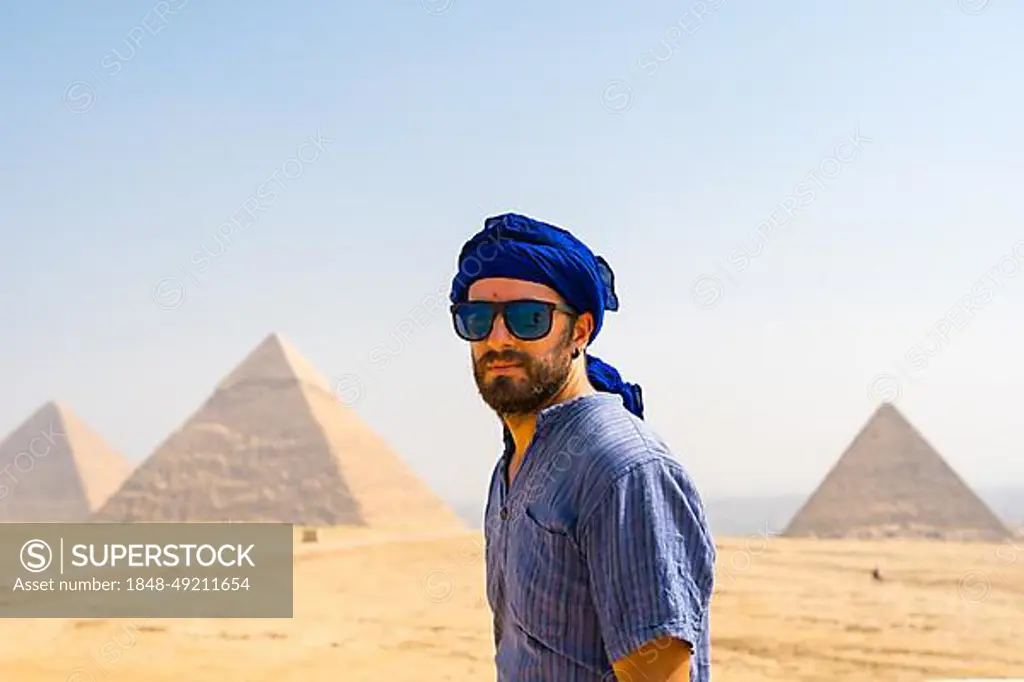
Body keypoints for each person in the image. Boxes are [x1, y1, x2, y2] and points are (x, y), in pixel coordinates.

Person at [448, 212, 716, 681]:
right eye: (476, 319)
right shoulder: (515, 464)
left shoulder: (621, 470)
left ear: (580, 330)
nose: (498, 338)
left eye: (528, 318)